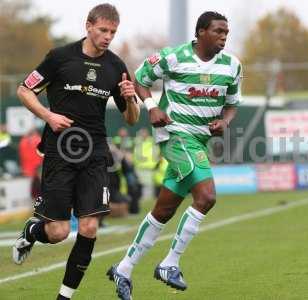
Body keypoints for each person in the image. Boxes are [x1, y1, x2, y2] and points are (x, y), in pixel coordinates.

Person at [107, 11, 242, 300]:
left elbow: (232, 103)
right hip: (176, 136)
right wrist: (152, 107)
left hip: (199, 142)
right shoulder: (174, 57)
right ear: (201, 32)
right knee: (206, 197)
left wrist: (225, 122)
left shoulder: (232, 66)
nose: (223, 37)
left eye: (226, 33)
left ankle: (124, 268)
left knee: (163, 211)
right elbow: (141, 78)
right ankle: (170, 263)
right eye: (218, 31)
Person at [12, 4, 139, 300]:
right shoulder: (60, 57)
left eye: (113, 32)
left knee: (89, 226)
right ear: (88, 26)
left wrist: (131, 100)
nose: (108, 37)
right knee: (56, 233)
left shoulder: (116, 67)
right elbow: (23, 90)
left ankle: (64, 297)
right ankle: (32, 233)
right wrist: (48, 116)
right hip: (60, 151)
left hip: (95, 153)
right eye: (103, 30)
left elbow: (131, 118)